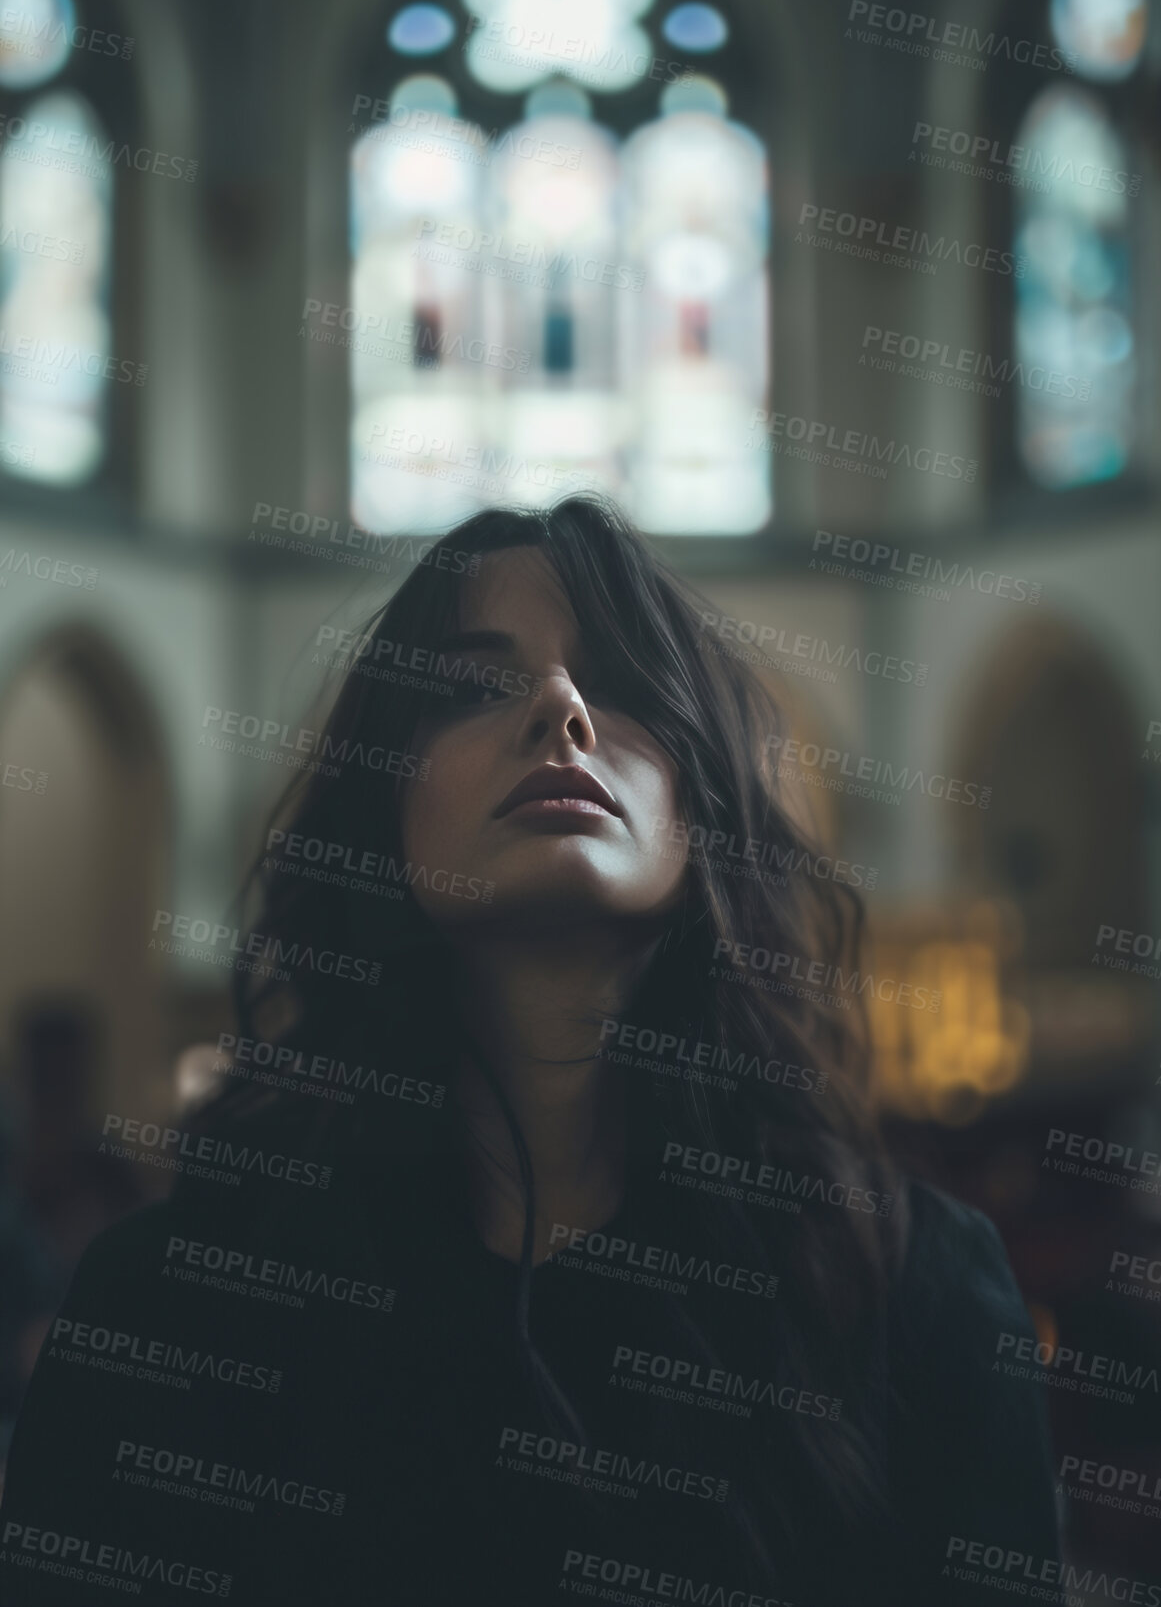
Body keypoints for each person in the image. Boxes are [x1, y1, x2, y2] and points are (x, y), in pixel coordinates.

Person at [0, 498, 1062, 1606]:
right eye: (471, 687)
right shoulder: (167, 1309)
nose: (560, 707)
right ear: (383, 801)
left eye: (622, 684)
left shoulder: (914, 1294)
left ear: (706, 811)